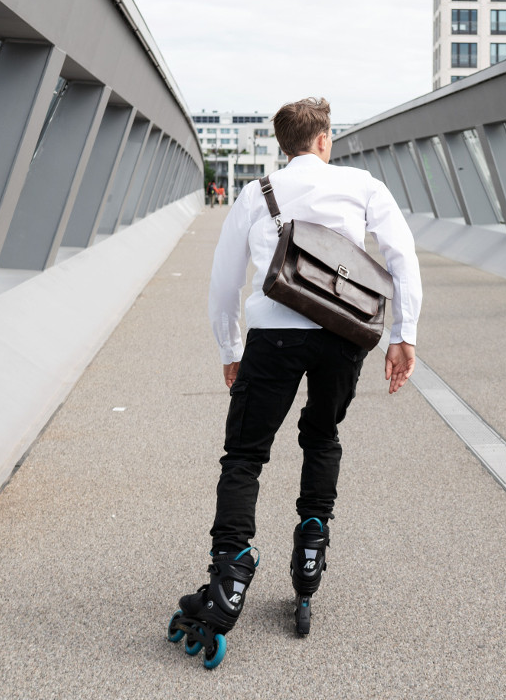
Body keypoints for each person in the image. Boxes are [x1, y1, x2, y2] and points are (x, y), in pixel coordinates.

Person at [170, 97, 421, 660]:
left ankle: (230, 574)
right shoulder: (362, 186)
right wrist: (403, 334)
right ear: (325, 139)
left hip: (273, 336)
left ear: (283, 146)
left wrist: (230, 348)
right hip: (343, 335)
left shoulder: (257, 193)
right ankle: (311, 546)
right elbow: (401, 257)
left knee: (245, 455)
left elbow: (224, 280)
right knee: (322, 435)